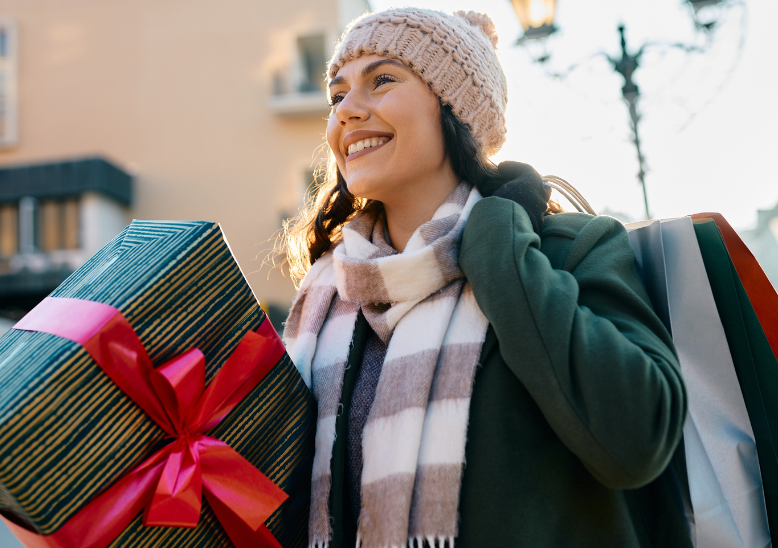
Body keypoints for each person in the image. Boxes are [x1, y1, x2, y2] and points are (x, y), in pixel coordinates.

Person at [281, 8, 690, 548]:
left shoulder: (568, 251)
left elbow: (639, 438)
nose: (347, 112)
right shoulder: (327, 296)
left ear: (455, 109)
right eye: (337, 96)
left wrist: (498, 247)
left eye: (382, 80)